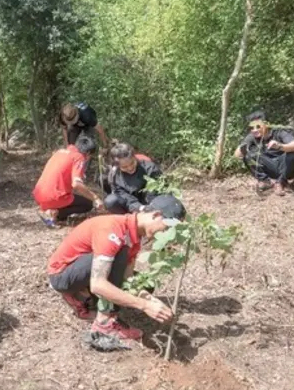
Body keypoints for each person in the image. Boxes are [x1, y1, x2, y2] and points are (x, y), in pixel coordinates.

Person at [48, 212, 175, 344]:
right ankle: (104, 323)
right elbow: (98, 284)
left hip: (87, 271)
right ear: (156, 215)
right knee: (119, 254)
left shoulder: (134, 238)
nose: (165, 234)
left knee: (147, 286)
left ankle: (86, 296)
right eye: (166, 227)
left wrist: (150, 300)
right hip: (62, 276)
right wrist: (144, 305)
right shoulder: (113, 229)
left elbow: (127, 278)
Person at [32, 135, 102, 228]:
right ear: (88, 153)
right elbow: (76, 184)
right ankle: (54, 213)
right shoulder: (79, 157)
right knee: (88, 204)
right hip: (55, 197)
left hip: (39, 194)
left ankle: (49, 209)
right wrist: (95, 198)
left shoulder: (59, 152)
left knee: (78, 197)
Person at [104, 142, 186, 220]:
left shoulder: (150, 168)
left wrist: (150, 208)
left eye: (132, 163)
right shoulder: (115, 177)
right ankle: (130, 222)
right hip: (133, 206)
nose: (130, 168)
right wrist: (139, 208)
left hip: (153, 201)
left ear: (134, 157)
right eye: (124, 167)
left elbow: (162, 190)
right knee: (111, 201)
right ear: (118, 166)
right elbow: (124, 198)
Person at [234, 110, 294, 195]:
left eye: (258, 126)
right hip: (270, 167)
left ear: (266, 124)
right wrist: (243, 149)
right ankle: (267, 182)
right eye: (251, 128)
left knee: (293, 154)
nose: (254, 130)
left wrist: (279, 146)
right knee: (249, 155)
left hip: (286, 167)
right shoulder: (252, 136)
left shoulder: (279, 132)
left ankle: (281, 182)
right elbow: (237, 155)